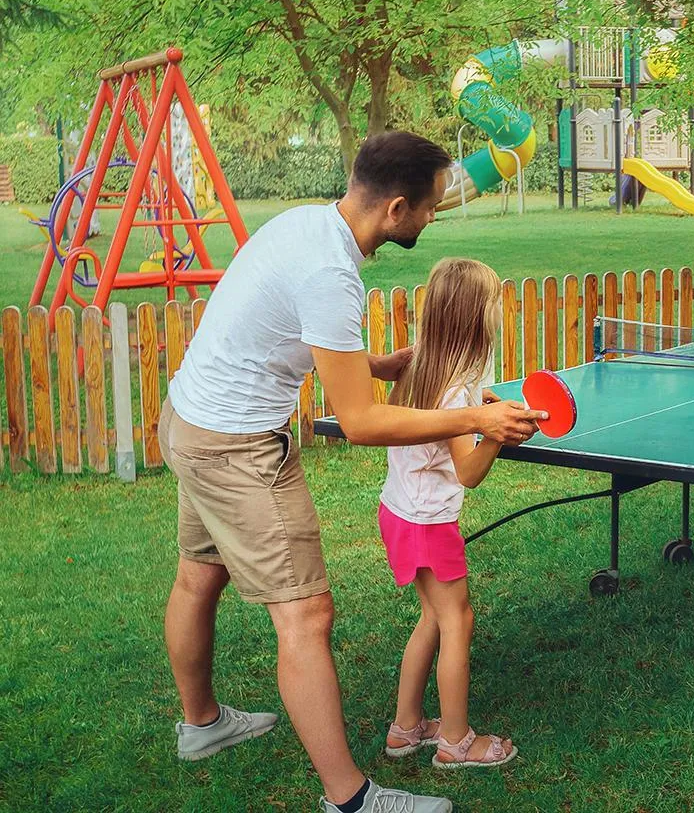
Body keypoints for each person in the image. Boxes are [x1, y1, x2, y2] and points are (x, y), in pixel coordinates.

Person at [159, 131, 545, 813]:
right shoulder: (332, 274)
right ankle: (351, 799)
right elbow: (362, 424)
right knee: (306, 616)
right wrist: (474, 421)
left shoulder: (308, 224)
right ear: (395, 208)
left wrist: (374, 363)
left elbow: (286, 328)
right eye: (428, 208)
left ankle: (202, 725)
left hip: (190, 418)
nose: (431, 218)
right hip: (238, 445)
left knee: (200, 574)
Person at [379, 258, 518, 770]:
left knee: (434, 618)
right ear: (477, 319)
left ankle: (406, 727)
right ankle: (456, 742)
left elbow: (443, 413)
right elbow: (469, 472)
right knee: (457, 620)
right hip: (429, 524)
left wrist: (479, 401)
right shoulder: (456, 392)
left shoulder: (420, 367)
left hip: (397, 512)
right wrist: (497, 434)